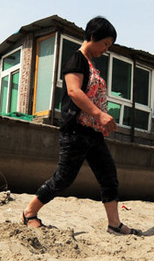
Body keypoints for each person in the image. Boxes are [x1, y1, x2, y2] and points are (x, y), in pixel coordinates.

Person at [21, 16, 141, 236]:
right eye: (105, 44)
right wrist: (99, 114)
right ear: (93, 37)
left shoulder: (90, 64)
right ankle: (29, 213)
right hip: (75, 131)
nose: (106, 49)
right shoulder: (76, 59)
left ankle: (114, 224)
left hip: (92, 134)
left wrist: (100, 122)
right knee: (63, 178)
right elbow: (74, 92)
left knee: (108, 176)